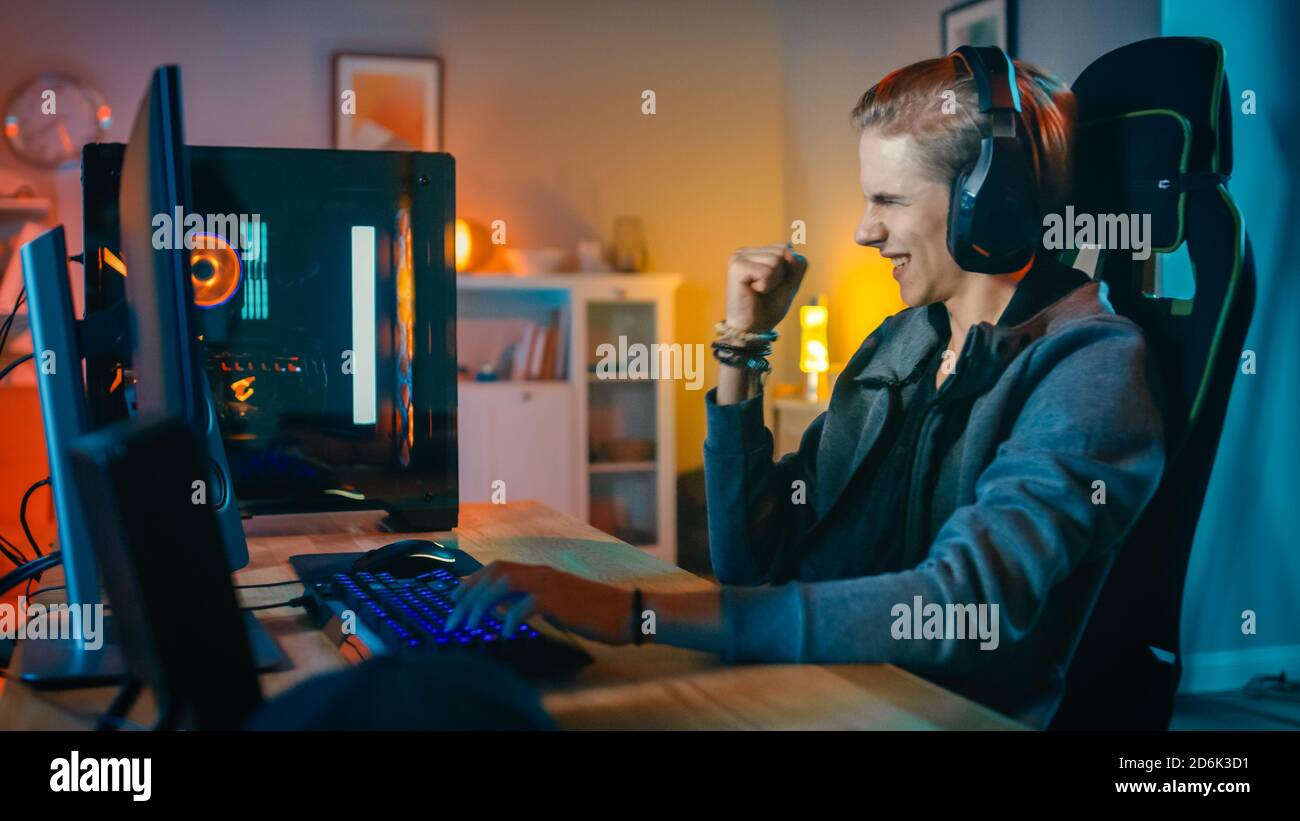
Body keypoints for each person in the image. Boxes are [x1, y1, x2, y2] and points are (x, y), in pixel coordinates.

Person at [445, 52, 1166, 729]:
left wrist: (641, 611)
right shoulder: (905, 340)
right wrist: (743, 346)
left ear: (992, 203)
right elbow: (752, 560)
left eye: (888, 199)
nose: (862, 230)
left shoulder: (1090, 365)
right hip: (827, 685)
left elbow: (960, 602)